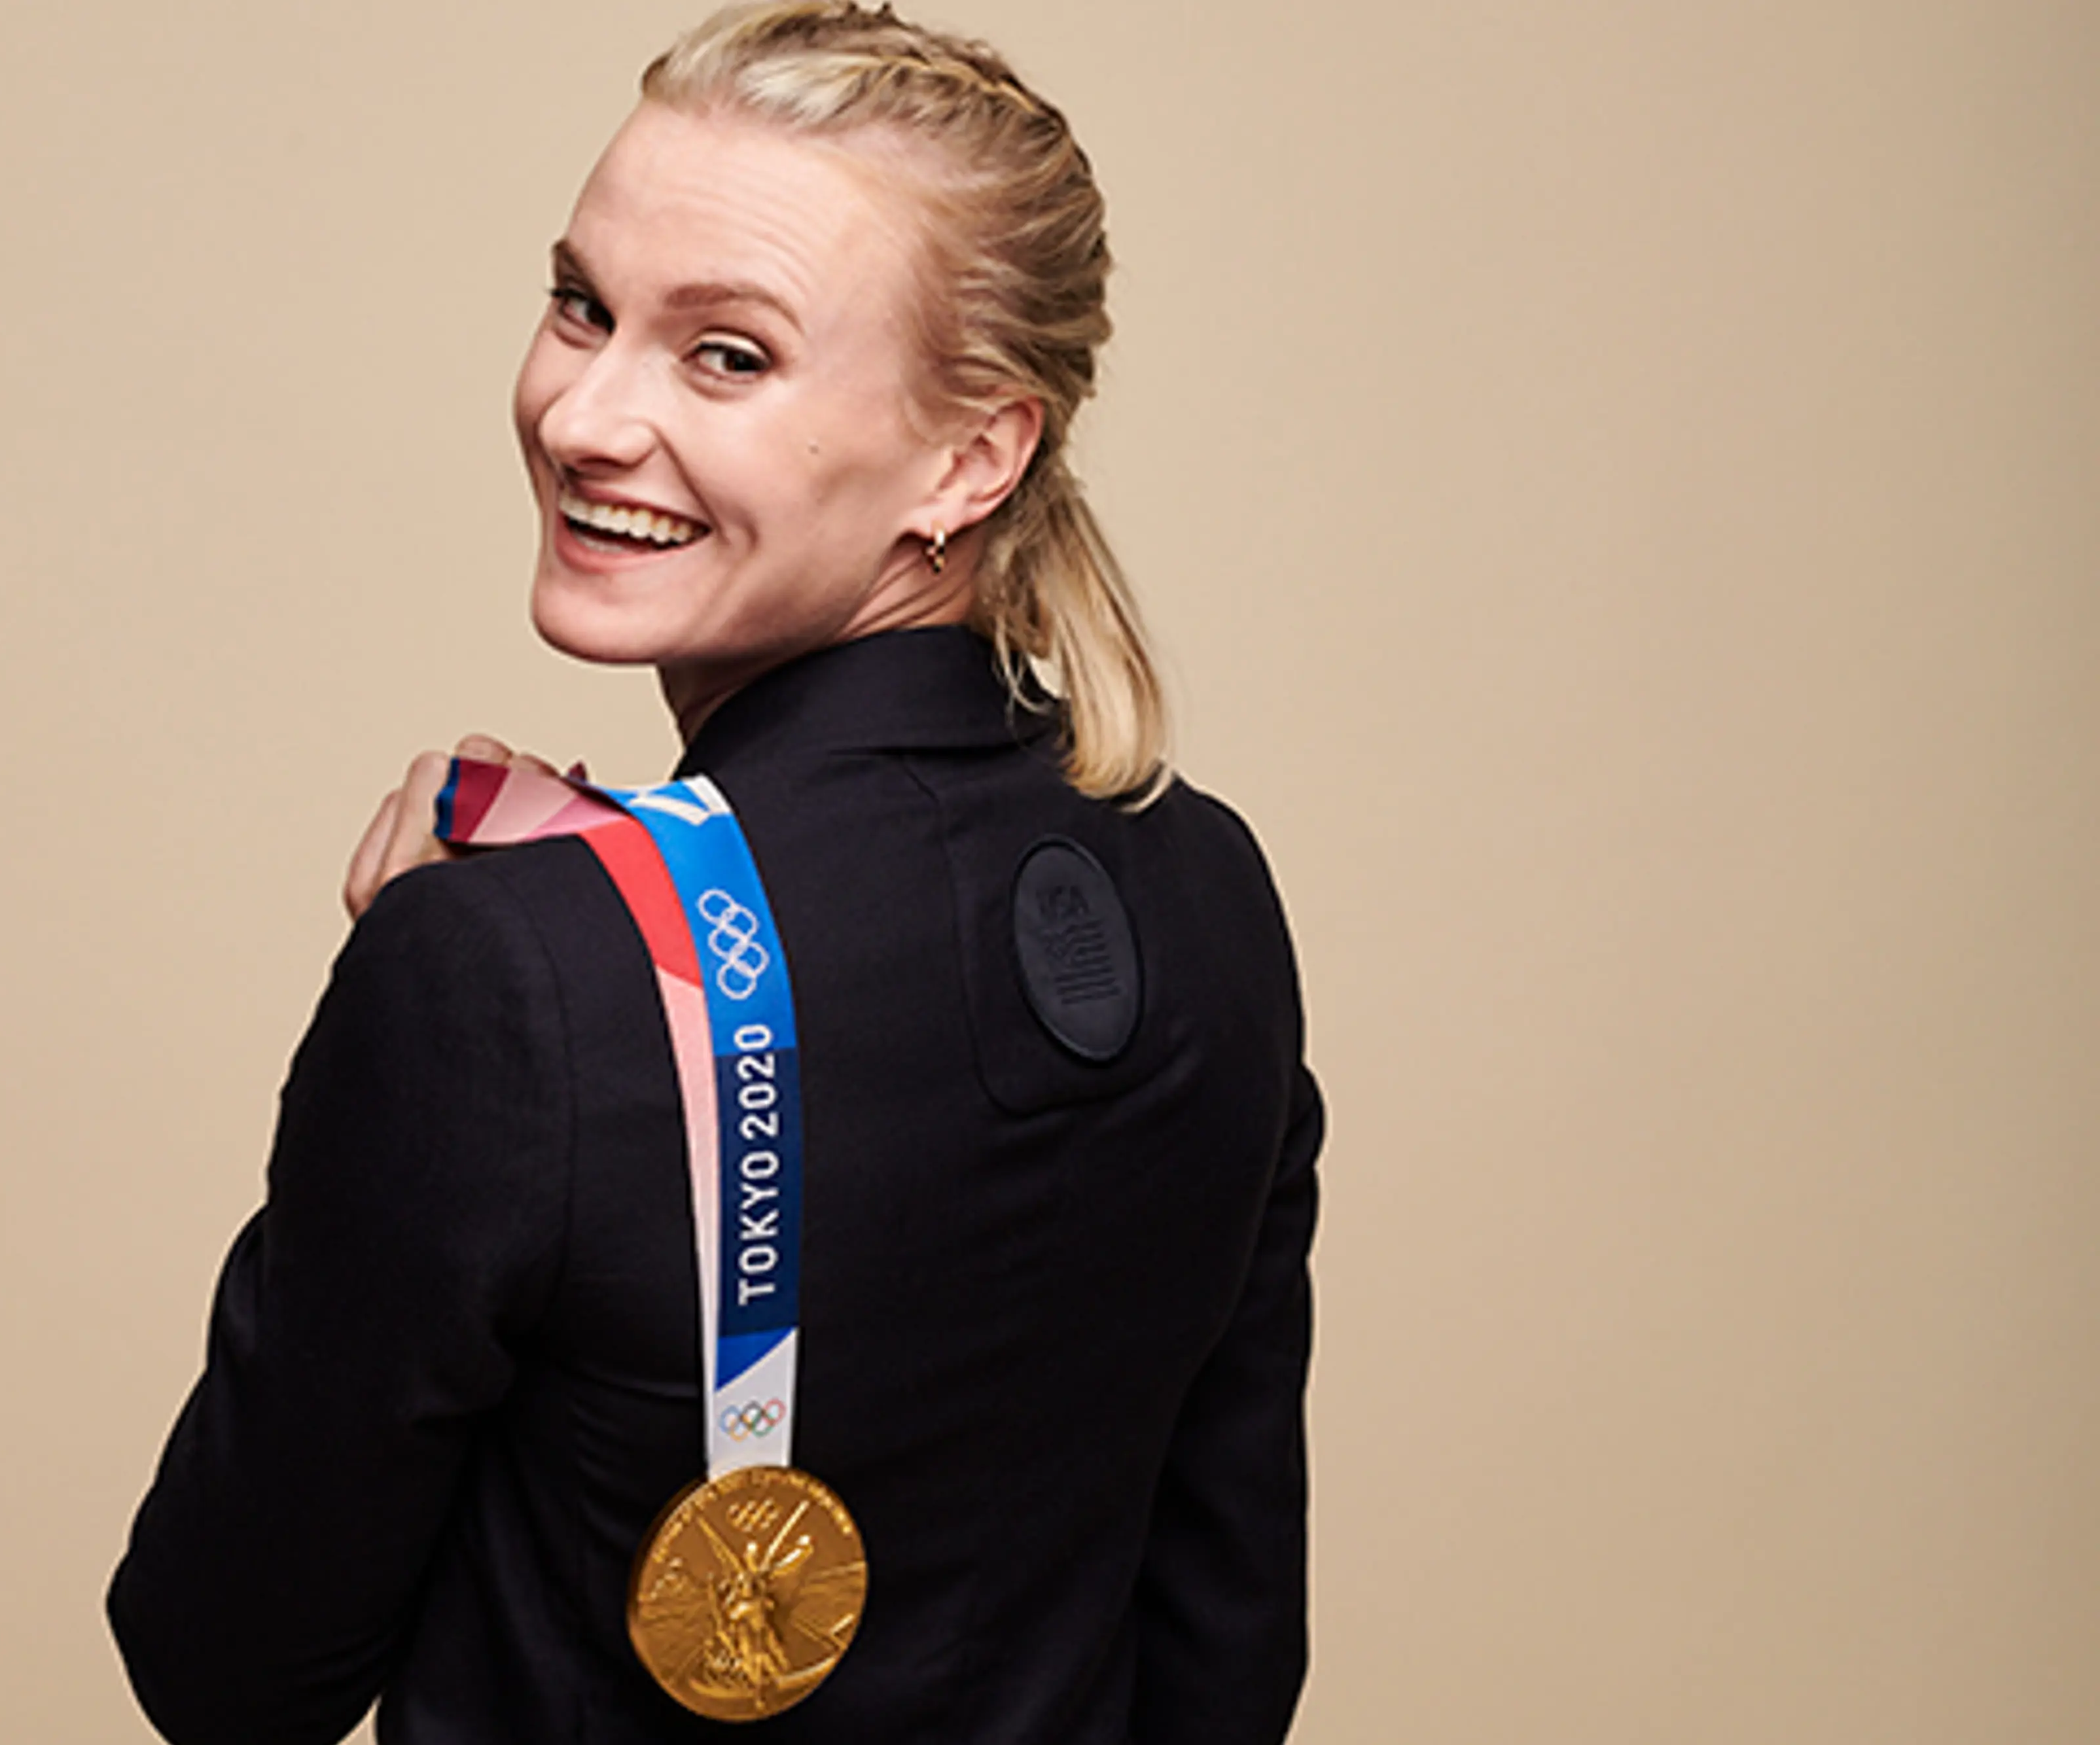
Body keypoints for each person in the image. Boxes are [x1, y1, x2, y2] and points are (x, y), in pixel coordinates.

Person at [108, 5, 1322, 1741]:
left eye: (726, 356)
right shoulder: (1209, 890)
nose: (584, 414)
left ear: (973, 457)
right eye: (581, 305)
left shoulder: (502, 977)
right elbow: (1225, 1660)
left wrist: (422, 1006)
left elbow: (227, 1667)